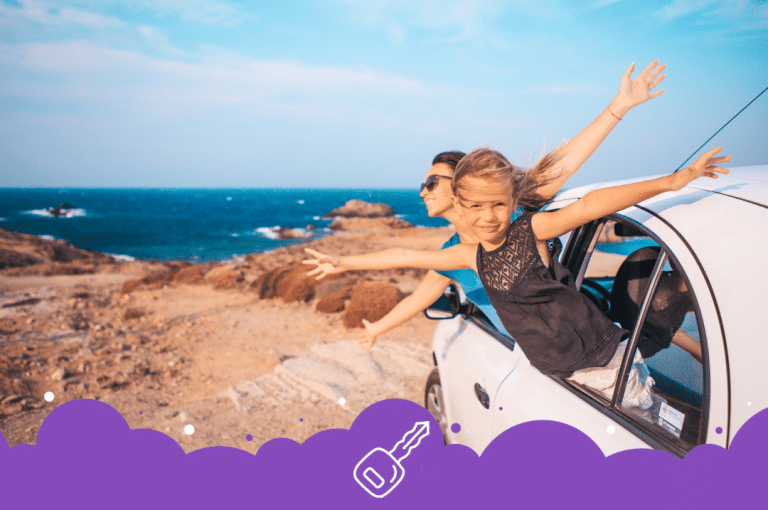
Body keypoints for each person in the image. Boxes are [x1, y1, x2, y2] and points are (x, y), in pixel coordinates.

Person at [304, 146, 730, 389]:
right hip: (553, 361)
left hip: (595, 355)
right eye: (476, 204)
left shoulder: (527, 228)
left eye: (434, 180)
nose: (425, 188)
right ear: (463, 201)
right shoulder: (464, 254)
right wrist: (344, 265)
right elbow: (405, 260)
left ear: (509, 201)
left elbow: (587, 203)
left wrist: (670, 179)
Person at [356, 60, 669, 350]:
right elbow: (415, 301)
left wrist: (620, 105)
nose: (423, 191)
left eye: (431, 181)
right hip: (536, 359)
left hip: (584, 341)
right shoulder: (451, 254)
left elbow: (567, 162)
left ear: (461, 182)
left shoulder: (518, 212)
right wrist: (375, 330)